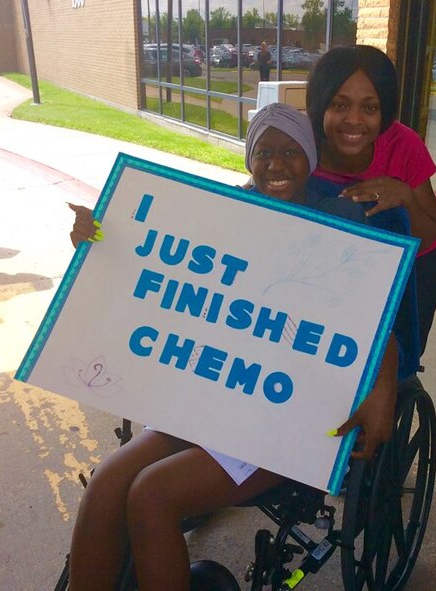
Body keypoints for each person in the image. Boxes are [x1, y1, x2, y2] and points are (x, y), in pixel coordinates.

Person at [66, 103, 400, 591]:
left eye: (291, 152)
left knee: (151, 496)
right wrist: (101, 241)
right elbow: (149, 267)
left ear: (310, 158)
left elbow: (377, 316)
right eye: (264, 152)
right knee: (107, 482)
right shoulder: (220, 212)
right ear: (248, 159)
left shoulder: (340, 222)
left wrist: (384, 386)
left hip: (281, 412)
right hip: (209, 394)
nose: (276, 164)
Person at [305, 45, 436, 357]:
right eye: (339, 105)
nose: (354, 121)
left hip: (422, 247)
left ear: (384, 111)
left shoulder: (403, 144)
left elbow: (428, 232)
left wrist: (406, 198)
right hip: (341, 249)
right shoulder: (300, 143)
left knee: (398, 347)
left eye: (370, 108)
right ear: (319, 106)